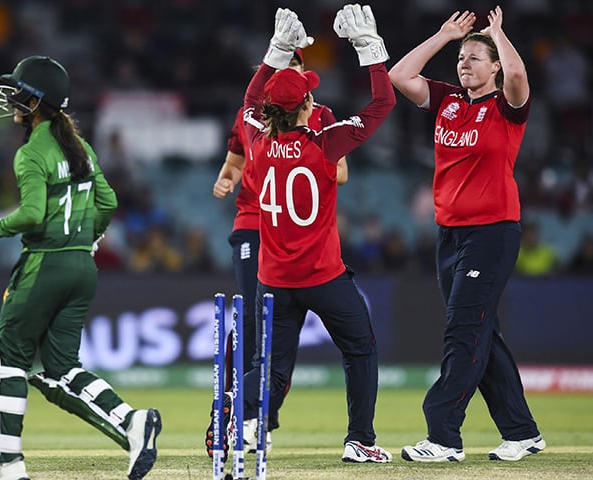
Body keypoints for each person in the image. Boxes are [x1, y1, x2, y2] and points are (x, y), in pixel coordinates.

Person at [0, 55, 161, 480]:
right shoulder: (80, 147)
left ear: (35, 102)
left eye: (18, 92)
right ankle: (132, 422)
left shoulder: (32, 152)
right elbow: (107, 202)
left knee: (6, 356)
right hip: (81, 269)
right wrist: (90, 239)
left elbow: (32, 214)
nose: (12, 98)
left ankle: (4, 464)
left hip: (44, 266)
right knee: (61, 368)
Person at [237, 5, 396, 463]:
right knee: (361, 351)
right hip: (323, 277)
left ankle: (241, 420)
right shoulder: (325, 144)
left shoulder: (256, 139)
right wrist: (370, 48)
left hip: (274, 279)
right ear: (307, 106)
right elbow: (383, 104)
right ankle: (360, 441)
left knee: (271, 368)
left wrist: (276, 50)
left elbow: (247, 104)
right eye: (308, 95)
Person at [389, 7, 545, 462]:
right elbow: (401, 74)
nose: (465, 63)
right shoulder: (448, 100)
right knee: (482, 334)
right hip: (450, 235)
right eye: (462, 57)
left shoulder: (507, 107)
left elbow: (518, 72)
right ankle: (522, 431)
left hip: (492, 233)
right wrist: (443, 36)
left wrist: (499, 35)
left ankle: (443, 437)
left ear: (494, 67)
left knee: (462, 332)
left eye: (477, 57)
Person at [208, 49, 348, 456]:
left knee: (277, 338)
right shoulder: (249, 116)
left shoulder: (322, 118)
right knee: (254, 325)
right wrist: (225, 181)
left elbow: (340, 172)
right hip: (254, 221)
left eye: (298, 73)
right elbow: (233, 165)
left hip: (299, 233)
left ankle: (258, 419)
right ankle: (239, 417)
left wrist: (306, 155)